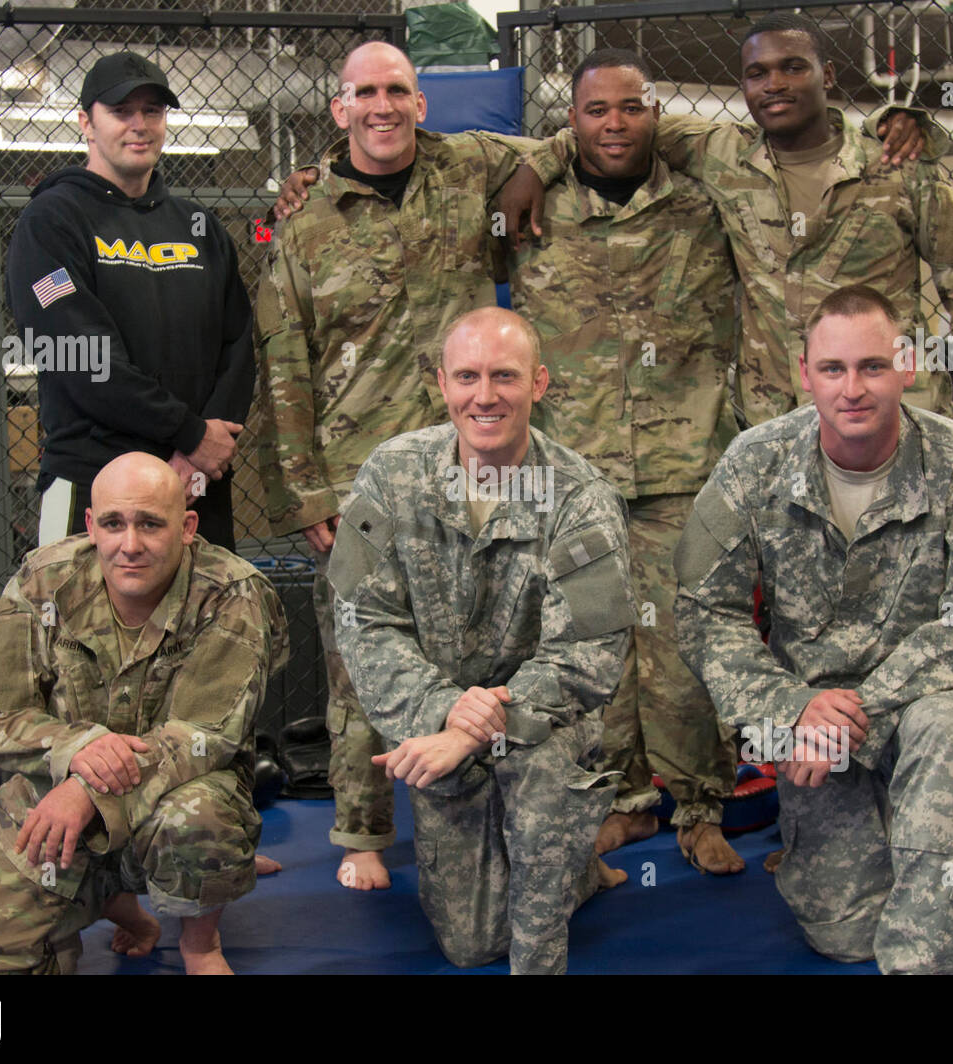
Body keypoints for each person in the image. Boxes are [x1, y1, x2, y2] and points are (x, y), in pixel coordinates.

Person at [675, 285, 953, 973]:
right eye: (833, 370)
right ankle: (926, 842)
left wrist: (862, 705)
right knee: (841, 937)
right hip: (809, 719)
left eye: (872, 367)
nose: (852, 389)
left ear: (906, 367)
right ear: (805, 374)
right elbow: (701, 612)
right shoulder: (754, 463)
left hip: (922, 698)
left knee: (948, 726)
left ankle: (923, 931)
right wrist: (791, 706)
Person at [257, 41, 544, 892]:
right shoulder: (304, 220)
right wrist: (306, 488)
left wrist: (530, 173)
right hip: (358, 478)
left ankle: (497, 807)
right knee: (358, 654)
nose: (381, 107)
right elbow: (285, 363)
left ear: (421, 105)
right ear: (339, 110)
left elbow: (572, 147)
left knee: (495, 633)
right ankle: (362, 831)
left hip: (473, 462)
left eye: (397, 92)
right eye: (363, 95)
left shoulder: (469, 169)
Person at [504, 12, 953, 445]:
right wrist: (541, 162)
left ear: (827, 75)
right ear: (744, 86)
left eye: (793, 67)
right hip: (776, 426)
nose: (774, 84)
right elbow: (616, 127)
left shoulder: (899, 168)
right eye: (757, 73)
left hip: (885, 420)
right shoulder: (723, 156)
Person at [327, 307, 634, 974]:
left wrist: (476, 725)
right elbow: (359, 618)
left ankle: (558, 877)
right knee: (470, 946)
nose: (484, 396)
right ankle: (567, 868)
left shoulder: (582, 497)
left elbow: (590, 654)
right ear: (442, 383)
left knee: (543, 789)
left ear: (541, 384)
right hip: (435, 723)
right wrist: (442, 710)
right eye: (467, 376)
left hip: (541, 722)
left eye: (505, 376)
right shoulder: (389, 476)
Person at [507, 49, 745, 874]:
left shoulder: (703, 202)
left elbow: (771, 141)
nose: (615, 124)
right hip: (578, 469)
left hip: (685, 461)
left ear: (656, 116)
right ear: (568, 121)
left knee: (683, 643)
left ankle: (702, 804)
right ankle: (621, 802)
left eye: (632, 109)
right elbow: (419, 156)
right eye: (595, 110)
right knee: (594, 637)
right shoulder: (530, 209)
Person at [0, 453, 287, 975]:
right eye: (113, 523)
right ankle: (113, 911)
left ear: (186, 527)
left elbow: (206, 735)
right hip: (55, 812)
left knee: (195, 817)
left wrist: (88, 789)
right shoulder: (44, 582)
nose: (129, 544)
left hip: (176, 799)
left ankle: (200, 946)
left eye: (150, 524)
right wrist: (78, 748)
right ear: (91, 525)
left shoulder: (232, 593)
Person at [6, 51, 254, 549]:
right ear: (86, 122)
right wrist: (188, 432)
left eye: (153, 112)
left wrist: (200, 451)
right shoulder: (52, 221)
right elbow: (81, 357)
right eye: (121, 111)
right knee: (77, 629)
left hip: (195, 485)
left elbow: (240, 343)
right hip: (94, 485)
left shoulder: (197, 226)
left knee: (205, 626)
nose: (139, 125)